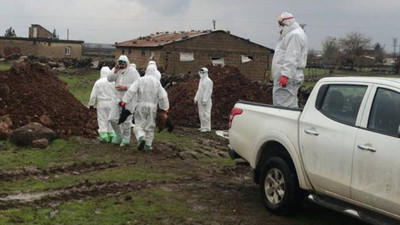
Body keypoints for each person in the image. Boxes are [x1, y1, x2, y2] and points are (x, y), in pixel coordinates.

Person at [121, 65, 169, 151]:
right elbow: (163, 96)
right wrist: (165, 108)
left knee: (139, 124)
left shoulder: (140, 80)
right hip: (153, 107)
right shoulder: (157, 82)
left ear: (146, 71)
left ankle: (141, 136)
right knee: (150, 126)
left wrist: (125, 100)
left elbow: (132, 90)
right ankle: (148, 145)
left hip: (141, 105)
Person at [271, 12, 308, 108]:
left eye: (281, 24)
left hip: (288, 77)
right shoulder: (293, 34)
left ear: (286, 23)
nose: (279, 27)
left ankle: (284, 123)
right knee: (286, 104)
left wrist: (286, 75)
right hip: (289, 76)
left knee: (284, 106)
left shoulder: (294, 35)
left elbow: (291, 56)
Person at [107, 55, 140, 147]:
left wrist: (126, 87)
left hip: (128, 99)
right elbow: (109, 79)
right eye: (119, 62)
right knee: (111, 118)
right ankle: (118, 134)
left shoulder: (133, 71)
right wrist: (115, 71)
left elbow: (138, 84)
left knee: (126, 120)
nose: (121, 64)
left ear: (126, 63)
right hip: (116, 97)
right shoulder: (116, 70)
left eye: (122, 62)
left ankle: (126, 138)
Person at [88, 66, 115, 142]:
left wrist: (91, 104)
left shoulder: (98, 82)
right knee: (111, 119)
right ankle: (112, 134)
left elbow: (93, 95)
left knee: (102, 119)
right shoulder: (113, 82)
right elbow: (117, 93)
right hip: (112, 103)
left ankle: (104, 136)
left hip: (102, 103)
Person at [194, 67, 213, 132]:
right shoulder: (201, 80)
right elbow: (199, 90)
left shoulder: (209, 81)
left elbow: (208, 91)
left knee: (206, 113)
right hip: (200, 99)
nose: (201, 74)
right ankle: (202, 126)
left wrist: (205, 100)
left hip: (206, 101)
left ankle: (207, 127)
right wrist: (196, 98)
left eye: (202, 72)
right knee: (201, 113)